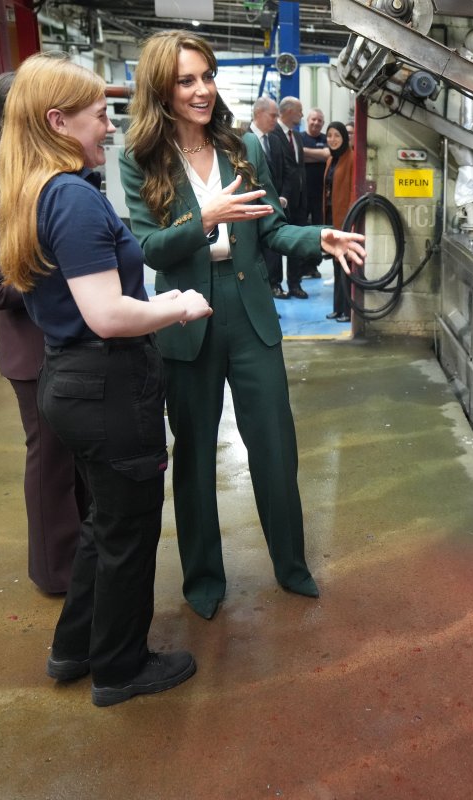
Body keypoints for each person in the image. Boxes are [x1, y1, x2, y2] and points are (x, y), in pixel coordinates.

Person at [119, 31, 366, 620]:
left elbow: (271, 226)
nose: (202, 90)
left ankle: (291, 565)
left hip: (250, 311)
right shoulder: (141, 159)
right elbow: (148, 248)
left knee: (275, 445)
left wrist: (318, 237)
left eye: (206, 76)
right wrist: (205, 218)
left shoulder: (241, 147)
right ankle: (204, 580)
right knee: (195, 454)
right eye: (186, 80)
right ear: (161, 89)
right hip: (186, 314)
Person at [0, 52, 212, 706]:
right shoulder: (72, 198)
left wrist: (149, 301)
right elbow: (107, 314)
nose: (108, 126)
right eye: (97, 115)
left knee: (103, 524)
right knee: (129, 532)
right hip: (107, 385)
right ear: (57, 121)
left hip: (72, 377)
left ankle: (74, 648)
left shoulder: (35, 191)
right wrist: (177, 307)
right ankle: (121, 668)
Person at [0, 72, 89, 596]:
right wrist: (74, 264)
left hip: (72, 344)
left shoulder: (46, 179)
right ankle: (56, 572)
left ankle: (81, 558)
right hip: (34, 354)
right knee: (51, 464)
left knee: (77, 462)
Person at [245, 96, 287, 299]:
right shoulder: (241, 141)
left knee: (273, 250)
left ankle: (273, 286)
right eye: (273, 116)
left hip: (272, 208)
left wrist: (282, 196)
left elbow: (284, 171)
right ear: (258, 113)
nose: (276, 120)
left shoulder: (275, 141)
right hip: (250, 210)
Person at [268, 96, 309, 299]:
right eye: (299, 111)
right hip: (281, 200)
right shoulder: (272, 134)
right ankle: (275, 284)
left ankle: (295, 284)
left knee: (297, 244)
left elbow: (298, 169)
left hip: (299, 200)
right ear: (290, 111)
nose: (302, 115)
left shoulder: (297, 137)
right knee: (277, 245)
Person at [323, 121, 356, 323]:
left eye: (337, 135)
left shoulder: (352, 159)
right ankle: (338, 308)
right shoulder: (331, 159)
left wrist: (350, 222)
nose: (332, 139)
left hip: (344, 220)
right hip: (331, 218)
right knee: (336, 266)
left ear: (344, 138)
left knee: (345, 266)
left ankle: (347, 310)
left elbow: (353, 192)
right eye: (329, 135)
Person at [298, 108, 329, 279]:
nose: (316, 123)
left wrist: (304, 152)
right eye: (313, 119)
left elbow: (327, 155)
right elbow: (298, 156)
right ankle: (300, 267)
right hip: (302, 194)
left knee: (318, 231)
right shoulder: (299, 137)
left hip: (320, 195)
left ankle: (312, 266)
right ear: (307, 120)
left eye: (320, 120)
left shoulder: (326, 139)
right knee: (302, 231)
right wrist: (319, 155)